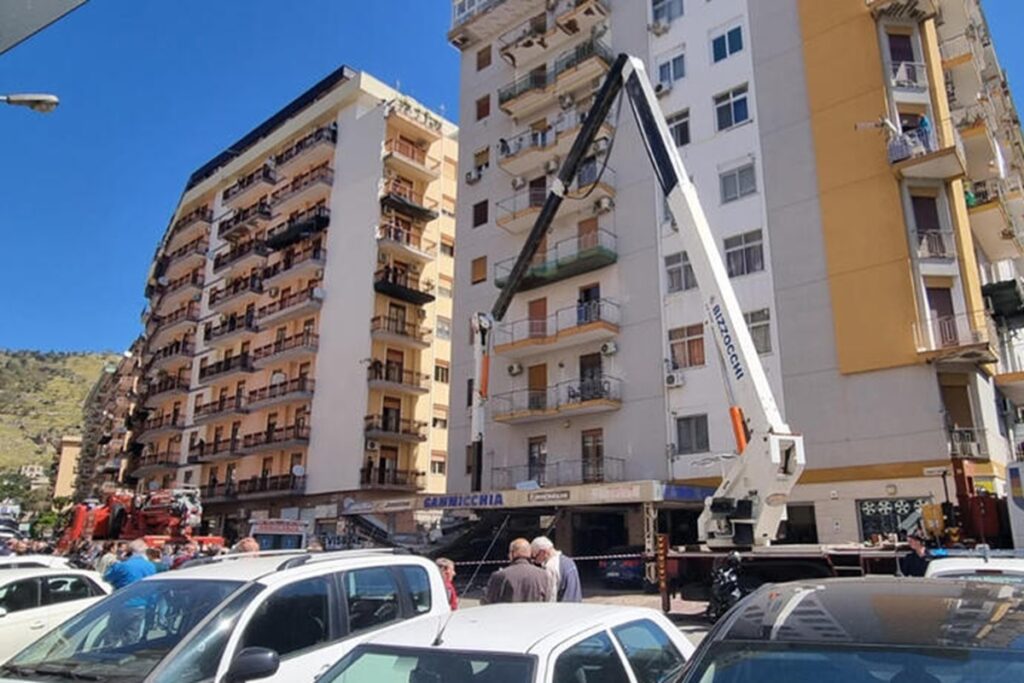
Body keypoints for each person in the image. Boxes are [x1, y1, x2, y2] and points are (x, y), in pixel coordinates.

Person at [484, 538, 549, 604]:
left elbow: (488, 602)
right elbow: (547, 601)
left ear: (513, 553)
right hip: (534, 613)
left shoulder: (500, 576)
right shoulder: (543, 575)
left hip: (508, 614)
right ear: (529, 553)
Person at [531, 536, 583, 603]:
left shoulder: (550, 567)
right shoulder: (569, 561)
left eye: (535, 556)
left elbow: (551, 596)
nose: (535, 561)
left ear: (543, 552)